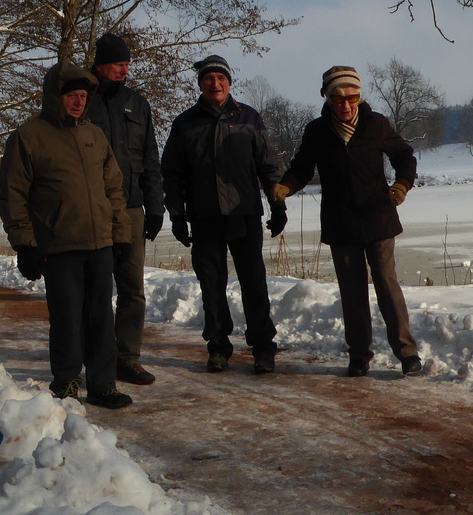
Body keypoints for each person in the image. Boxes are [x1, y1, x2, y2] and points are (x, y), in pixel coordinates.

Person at [0, 62, 134, 408]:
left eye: (83, 96)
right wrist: (25, 244)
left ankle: (103, 384)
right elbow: (13, 194)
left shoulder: (94, 136)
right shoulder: (29, 136)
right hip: (58, 245)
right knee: (67, 317)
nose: (78, 102)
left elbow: (114, 189)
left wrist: (121, 235)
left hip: (100, 243)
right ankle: (67, 382)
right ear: (55, 97)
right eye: (71, 95)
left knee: (101, 315)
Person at [273, 65, 422, 377]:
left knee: (386, 283)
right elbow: (302, 167)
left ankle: (407, 354)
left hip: (378, 218)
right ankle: (358, 356)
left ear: (359, 96)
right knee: (352, 291)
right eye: (338, 99)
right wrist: (287, 185)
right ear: (327, 98)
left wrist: (402, 185)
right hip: (341, 222)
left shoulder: (376, 123)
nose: (346, 105)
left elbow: (405, 156)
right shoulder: (316, 131)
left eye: (352, 98)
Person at [161, 54, 288, 375]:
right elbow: (172, 174)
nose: (215, 84)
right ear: (200, 84)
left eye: (220, 78)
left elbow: (268, 165)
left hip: (244, 214)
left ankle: (262, 347)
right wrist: (176, 215)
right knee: (211, 286)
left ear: (230, 82)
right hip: (204, 217)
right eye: (208, 79)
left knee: (254, 283)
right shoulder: (185, 123)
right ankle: (218, 346)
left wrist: (278, 204)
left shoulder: (249, 117)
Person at [84, 33, 165, 387]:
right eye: (118, 63)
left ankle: (127, 359)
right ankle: (97, 358)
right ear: (100, 64)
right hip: (94, 210)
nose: (124, 69)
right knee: (97, 289)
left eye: (127, 64)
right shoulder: (82, 100)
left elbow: (150, 158)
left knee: (133, 289)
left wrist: (156, 206)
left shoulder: (138, 104)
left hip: (132, 208)